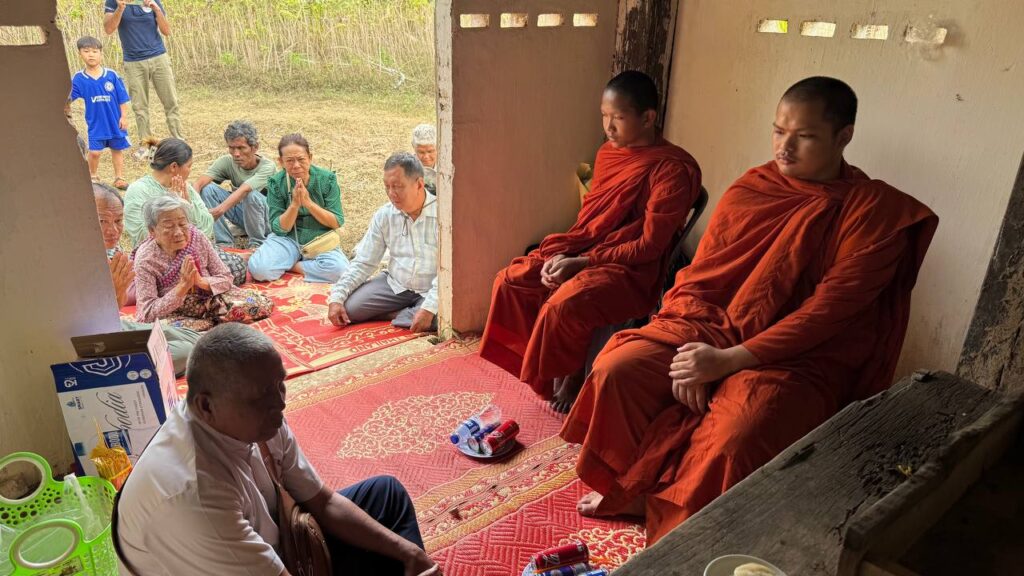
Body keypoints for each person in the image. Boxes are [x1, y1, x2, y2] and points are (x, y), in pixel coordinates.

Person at [560, 77, 939, 544]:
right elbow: (701, 278)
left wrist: (726, 361)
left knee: (738, 431)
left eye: (804, 136)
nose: (784, 147)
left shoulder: (874, 214)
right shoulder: (754, 187)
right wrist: (690, 344)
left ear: (844, 136)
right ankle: (633, 489)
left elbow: (826, 315)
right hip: (709, 325)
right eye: (778, 131)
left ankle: (688, 536)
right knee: (618, 368)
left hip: (797, 356)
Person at [116, 323, 441, 576]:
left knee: (386, 497)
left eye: (280, 384)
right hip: (232, 561)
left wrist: (409, 553)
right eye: (261, 396)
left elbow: (322, 500)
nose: (280, 403)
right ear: (206, 406)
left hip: (274, 544)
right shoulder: (195, 493)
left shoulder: (257, 420)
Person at [478, 70, 702, 413]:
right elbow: (593, 221)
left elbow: (650, 247)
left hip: (633, 267)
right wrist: (566, 254)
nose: (608, 127)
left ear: (648, 118)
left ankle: (571, 374)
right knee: (511, 279)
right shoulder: (609, 153)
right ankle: (537, 363)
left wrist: (583, 263)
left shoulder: (671, 170)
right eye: (604, 116)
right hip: (588, 246)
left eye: (618, 118)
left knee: (564, 304)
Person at [94, 182, 199, 376]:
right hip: (92, 341)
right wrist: (115, 296)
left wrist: (117, 294)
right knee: (186, 351)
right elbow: (93, 327)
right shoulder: (71, 258)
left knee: (193, 338)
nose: (113, 230)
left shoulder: (112, 251)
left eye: (118, 220)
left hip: (115, 326)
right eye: (102, 221)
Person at [327, 153, 438, 333]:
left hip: (433, 288)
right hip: (396, 284)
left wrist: (429, 307)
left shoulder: (443, 214)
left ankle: (400, 314)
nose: (391, 194)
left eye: (398, 186)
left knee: (443, 318)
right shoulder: (385, 215)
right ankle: (406, 315)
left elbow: (452, 270)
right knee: (349, 310)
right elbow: (364, 261)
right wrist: (337, 297)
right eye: (387, 187)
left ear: (419, 184)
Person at [133, 196, 272, 330]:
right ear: (152, 231)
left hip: (211, 301)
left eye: (182, 224)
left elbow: (226, 277)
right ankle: (210, 323)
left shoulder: (196, 237)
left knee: (258, 304)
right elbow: (147, 313)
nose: (178, 232)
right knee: (161, 330)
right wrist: (182, 287)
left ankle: (208, 323)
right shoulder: (146, 260)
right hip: (175, 312)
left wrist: (200, 281)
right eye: (169, 226)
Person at [124, 138, 248, 284]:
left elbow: (207, 227)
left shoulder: (186, 187)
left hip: (193, 252)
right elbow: (141, 236)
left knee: (236, 269)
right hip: (157, 260)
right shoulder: (138, 190)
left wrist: (187, 206)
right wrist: (172, 207)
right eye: (189, 166)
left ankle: (198, 282)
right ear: (174, 167)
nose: (190, 171)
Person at [248, 134, 349, 284]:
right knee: (259, 270)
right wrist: (294, 205)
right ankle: (306, 266)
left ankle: (291, 266)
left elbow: (336, 221)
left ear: (310, 157)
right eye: (289, 160)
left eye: (301, 159)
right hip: (287, 238)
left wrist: (308, 203)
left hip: (319, 239)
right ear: (281, 162)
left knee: (341, 271)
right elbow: (279, 228)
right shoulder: (276, 183)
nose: (296, 165)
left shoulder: (327, 179)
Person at [103, 0, 182, 147]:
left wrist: (157, 10)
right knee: (140, 107)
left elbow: (166, 31)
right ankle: (146, 145)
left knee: (171, 102)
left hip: (159, 57)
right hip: (133, 61)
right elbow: (108, 29)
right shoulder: (114, 1)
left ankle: (179, 141)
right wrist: (120, 8)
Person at [196, 121, 277, 248]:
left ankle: (257, 244)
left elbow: (245, 190)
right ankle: (224, 243)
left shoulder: (267, 167)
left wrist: (218, 210)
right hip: (244, 216)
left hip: (268, 220)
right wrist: (192, 206)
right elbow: (200, 183)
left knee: (250, 195)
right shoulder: (227, 161)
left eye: (241, 148)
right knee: (207, 189)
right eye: (232, 148)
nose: (236, 154)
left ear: (255, 147)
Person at [67, 36, 131, 190]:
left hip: (115, 121)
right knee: (95, 152)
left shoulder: (111, 75)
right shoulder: (79, 78)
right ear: (80, 54)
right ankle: (93, 177)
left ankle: (119, 178)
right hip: (96, 123)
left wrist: (124, 117)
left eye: (95, 51)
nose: (91, 55)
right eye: (86, 51)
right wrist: (64, 110)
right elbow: (68, 98)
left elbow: (122, 98)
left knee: (117, 149)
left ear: (101, 54)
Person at [411, 124, 437, 195]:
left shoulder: (447, 166)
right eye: (421, 152)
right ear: (413, 147)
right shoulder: (407, 169)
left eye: (430, 151)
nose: (426, 156)